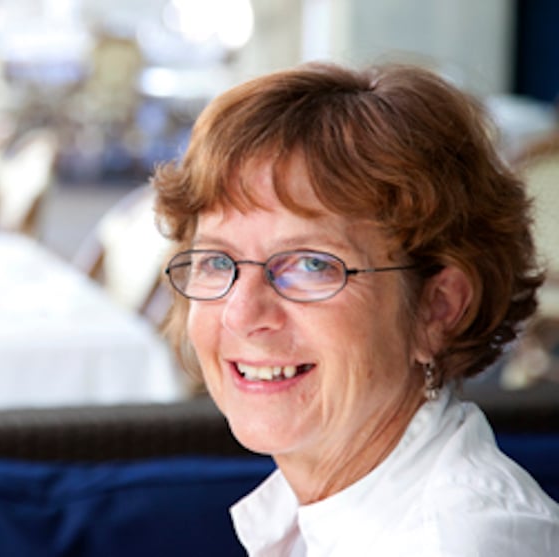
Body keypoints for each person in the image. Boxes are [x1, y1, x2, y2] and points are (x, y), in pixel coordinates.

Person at [152, 61, 559, 555]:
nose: (242, 313)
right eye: (218, 259)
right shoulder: (328, 513)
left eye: (310, 264)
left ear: (438, 308)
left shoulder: (454, 543)